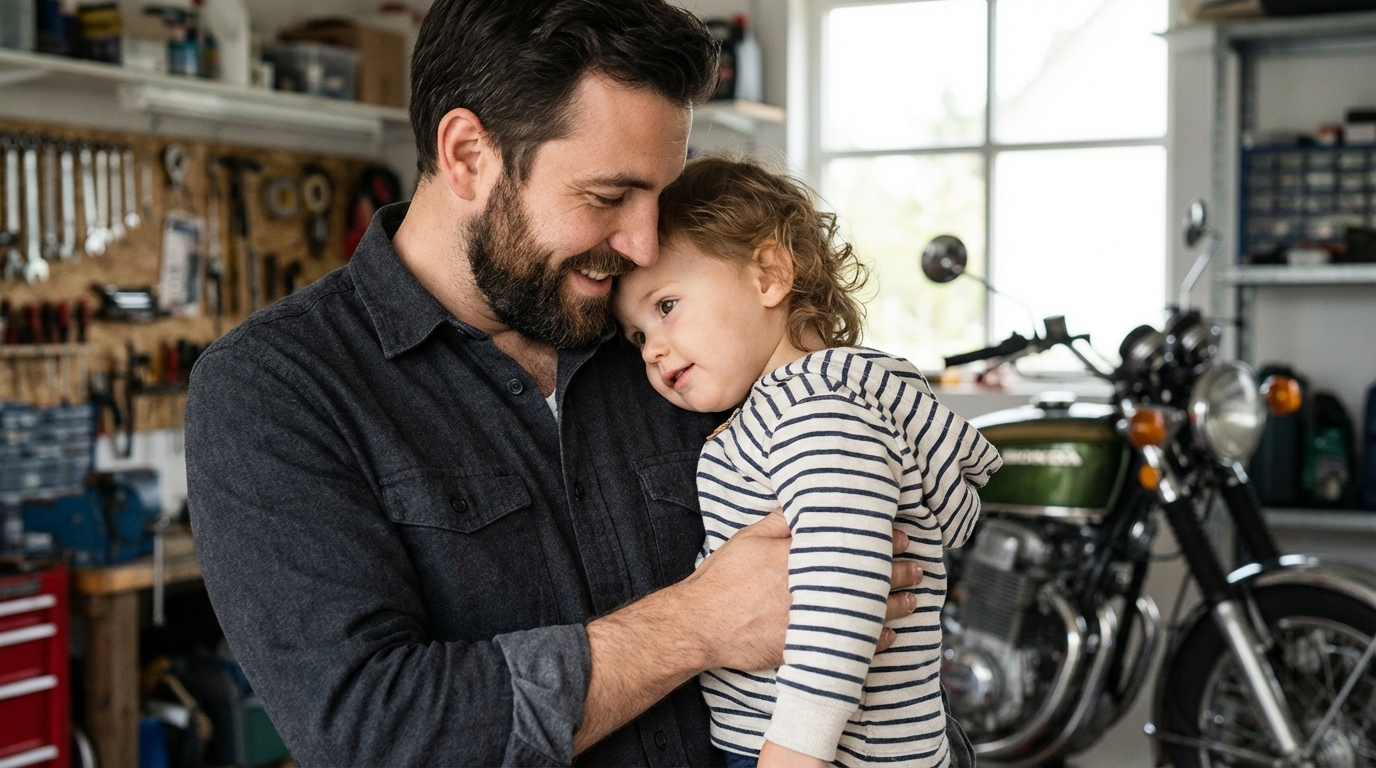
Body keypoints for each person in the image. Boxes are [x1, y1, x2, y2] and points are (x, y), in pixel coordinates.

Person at [184, 1, 949, 765]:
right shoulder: (274, 390)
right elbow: (374, 731)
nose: (643, 243)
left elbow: (884, 610)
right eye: (609, 197)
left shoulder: (679, 342)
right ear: (467, 155)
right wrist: (696, 624)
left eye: (658, 194)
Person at [612, 158, 1000, 768]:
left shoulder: (816, 416)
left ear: (768, 274)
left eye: (665, 307)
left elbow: (842, 588)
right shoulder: (790, 408)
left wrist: (796, 750)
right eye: (636, 337)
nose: (653, 350)